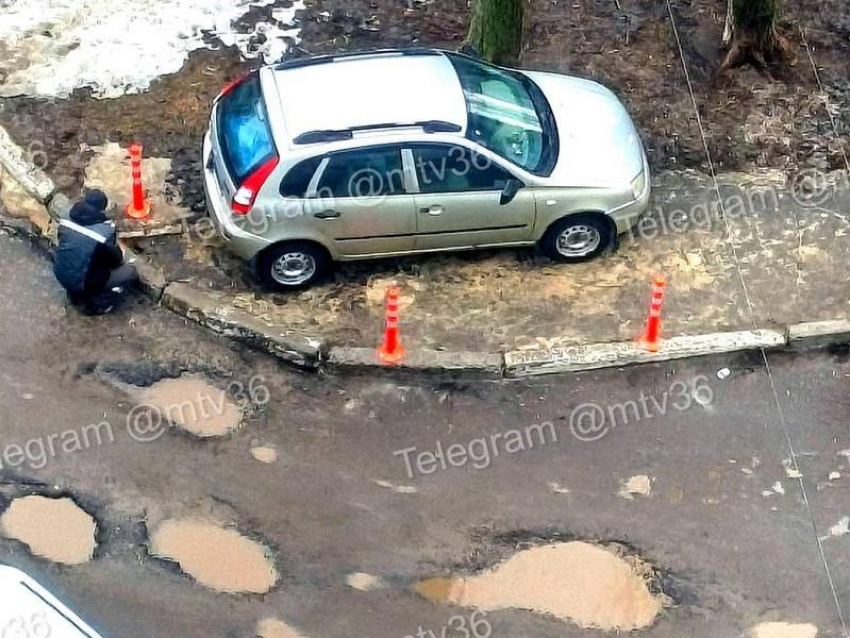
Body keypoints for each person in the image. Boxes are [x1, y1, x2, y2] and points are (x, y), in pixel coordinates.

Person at [53, 189, 139, 315]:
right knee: (130, 272)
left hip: (61, 274)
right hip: (84, 283)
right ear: (102, 209)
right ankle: (99, 304)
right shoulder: (104, 233)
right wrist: (120, 249)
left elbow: (64, 241)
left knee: (81, 261)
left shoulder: (66, 219)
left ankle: (73, 294)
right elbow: (116, 261)